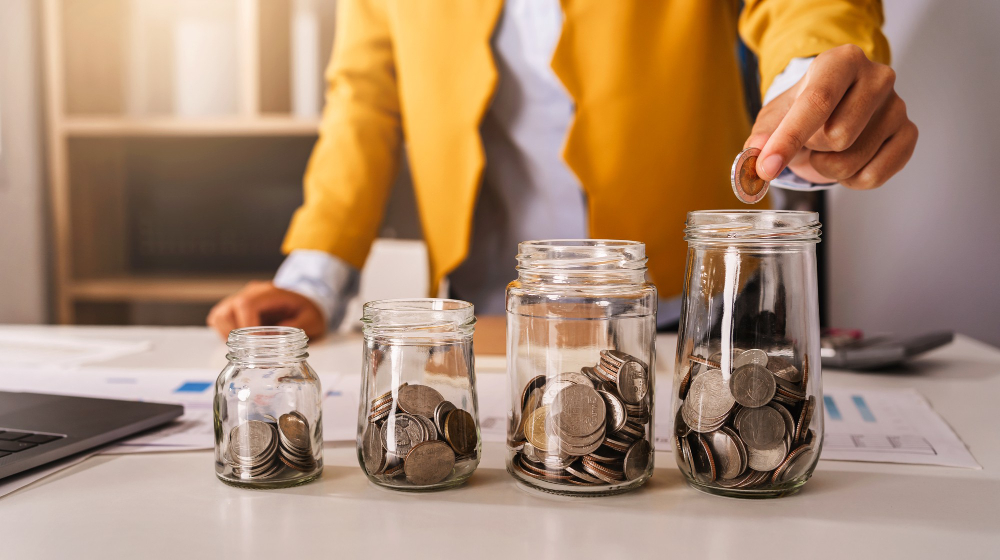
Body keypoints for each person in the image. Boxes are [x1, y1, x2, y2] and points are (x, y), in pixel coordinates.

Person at [208, 0, 917, 340]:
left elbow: (804, 7)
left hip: (693, 310)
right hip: (488, 318)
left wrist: (812, 89)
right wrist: (311, 281)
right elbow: (362, 98)